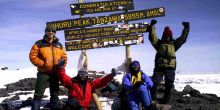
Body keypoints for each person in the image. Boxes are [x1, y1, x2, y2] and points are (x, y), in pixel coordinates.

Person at [148, 19, 190, 104]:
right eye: (166, 35)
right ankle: (152, 99)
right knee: (154, 83)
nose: (167, 37)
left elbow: (182, 39)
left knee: (169, 85)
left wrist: (186, 28)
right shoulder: (159, 44)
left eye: (169, 35)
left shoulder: (174, 44)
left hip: (170, 68)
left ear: (171, 36)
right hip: (159, 67)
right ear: (163, 35)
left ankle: (166, 101)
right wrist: (152, 26)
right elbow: (153, 38)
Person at [29, 25, 67, 110]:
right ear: (46, 32)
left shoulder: (59, 45)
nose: (50, 32)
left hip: (55, 73)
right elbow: (32, 56)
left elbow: (64, 57)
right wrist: (42, 64)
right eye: (49, 31)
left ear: (55, 33)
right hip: (43, 73)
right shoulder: (39, 43)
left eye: (53, 31)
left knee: (54, 94)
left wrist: (61, 65)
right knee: (38, 94)